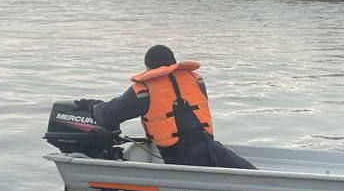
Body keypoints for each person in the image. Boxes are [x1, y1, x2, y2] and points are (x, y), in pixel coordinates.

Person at [80, 45, 255, 169]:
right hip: (212, 148)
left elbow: (109, 114)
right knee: (252, 175)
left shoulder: (144, 90)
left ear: (148, 67)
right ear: (173, 64)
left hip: (182, 158)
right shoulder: (195, 80)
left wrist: (92, 105)